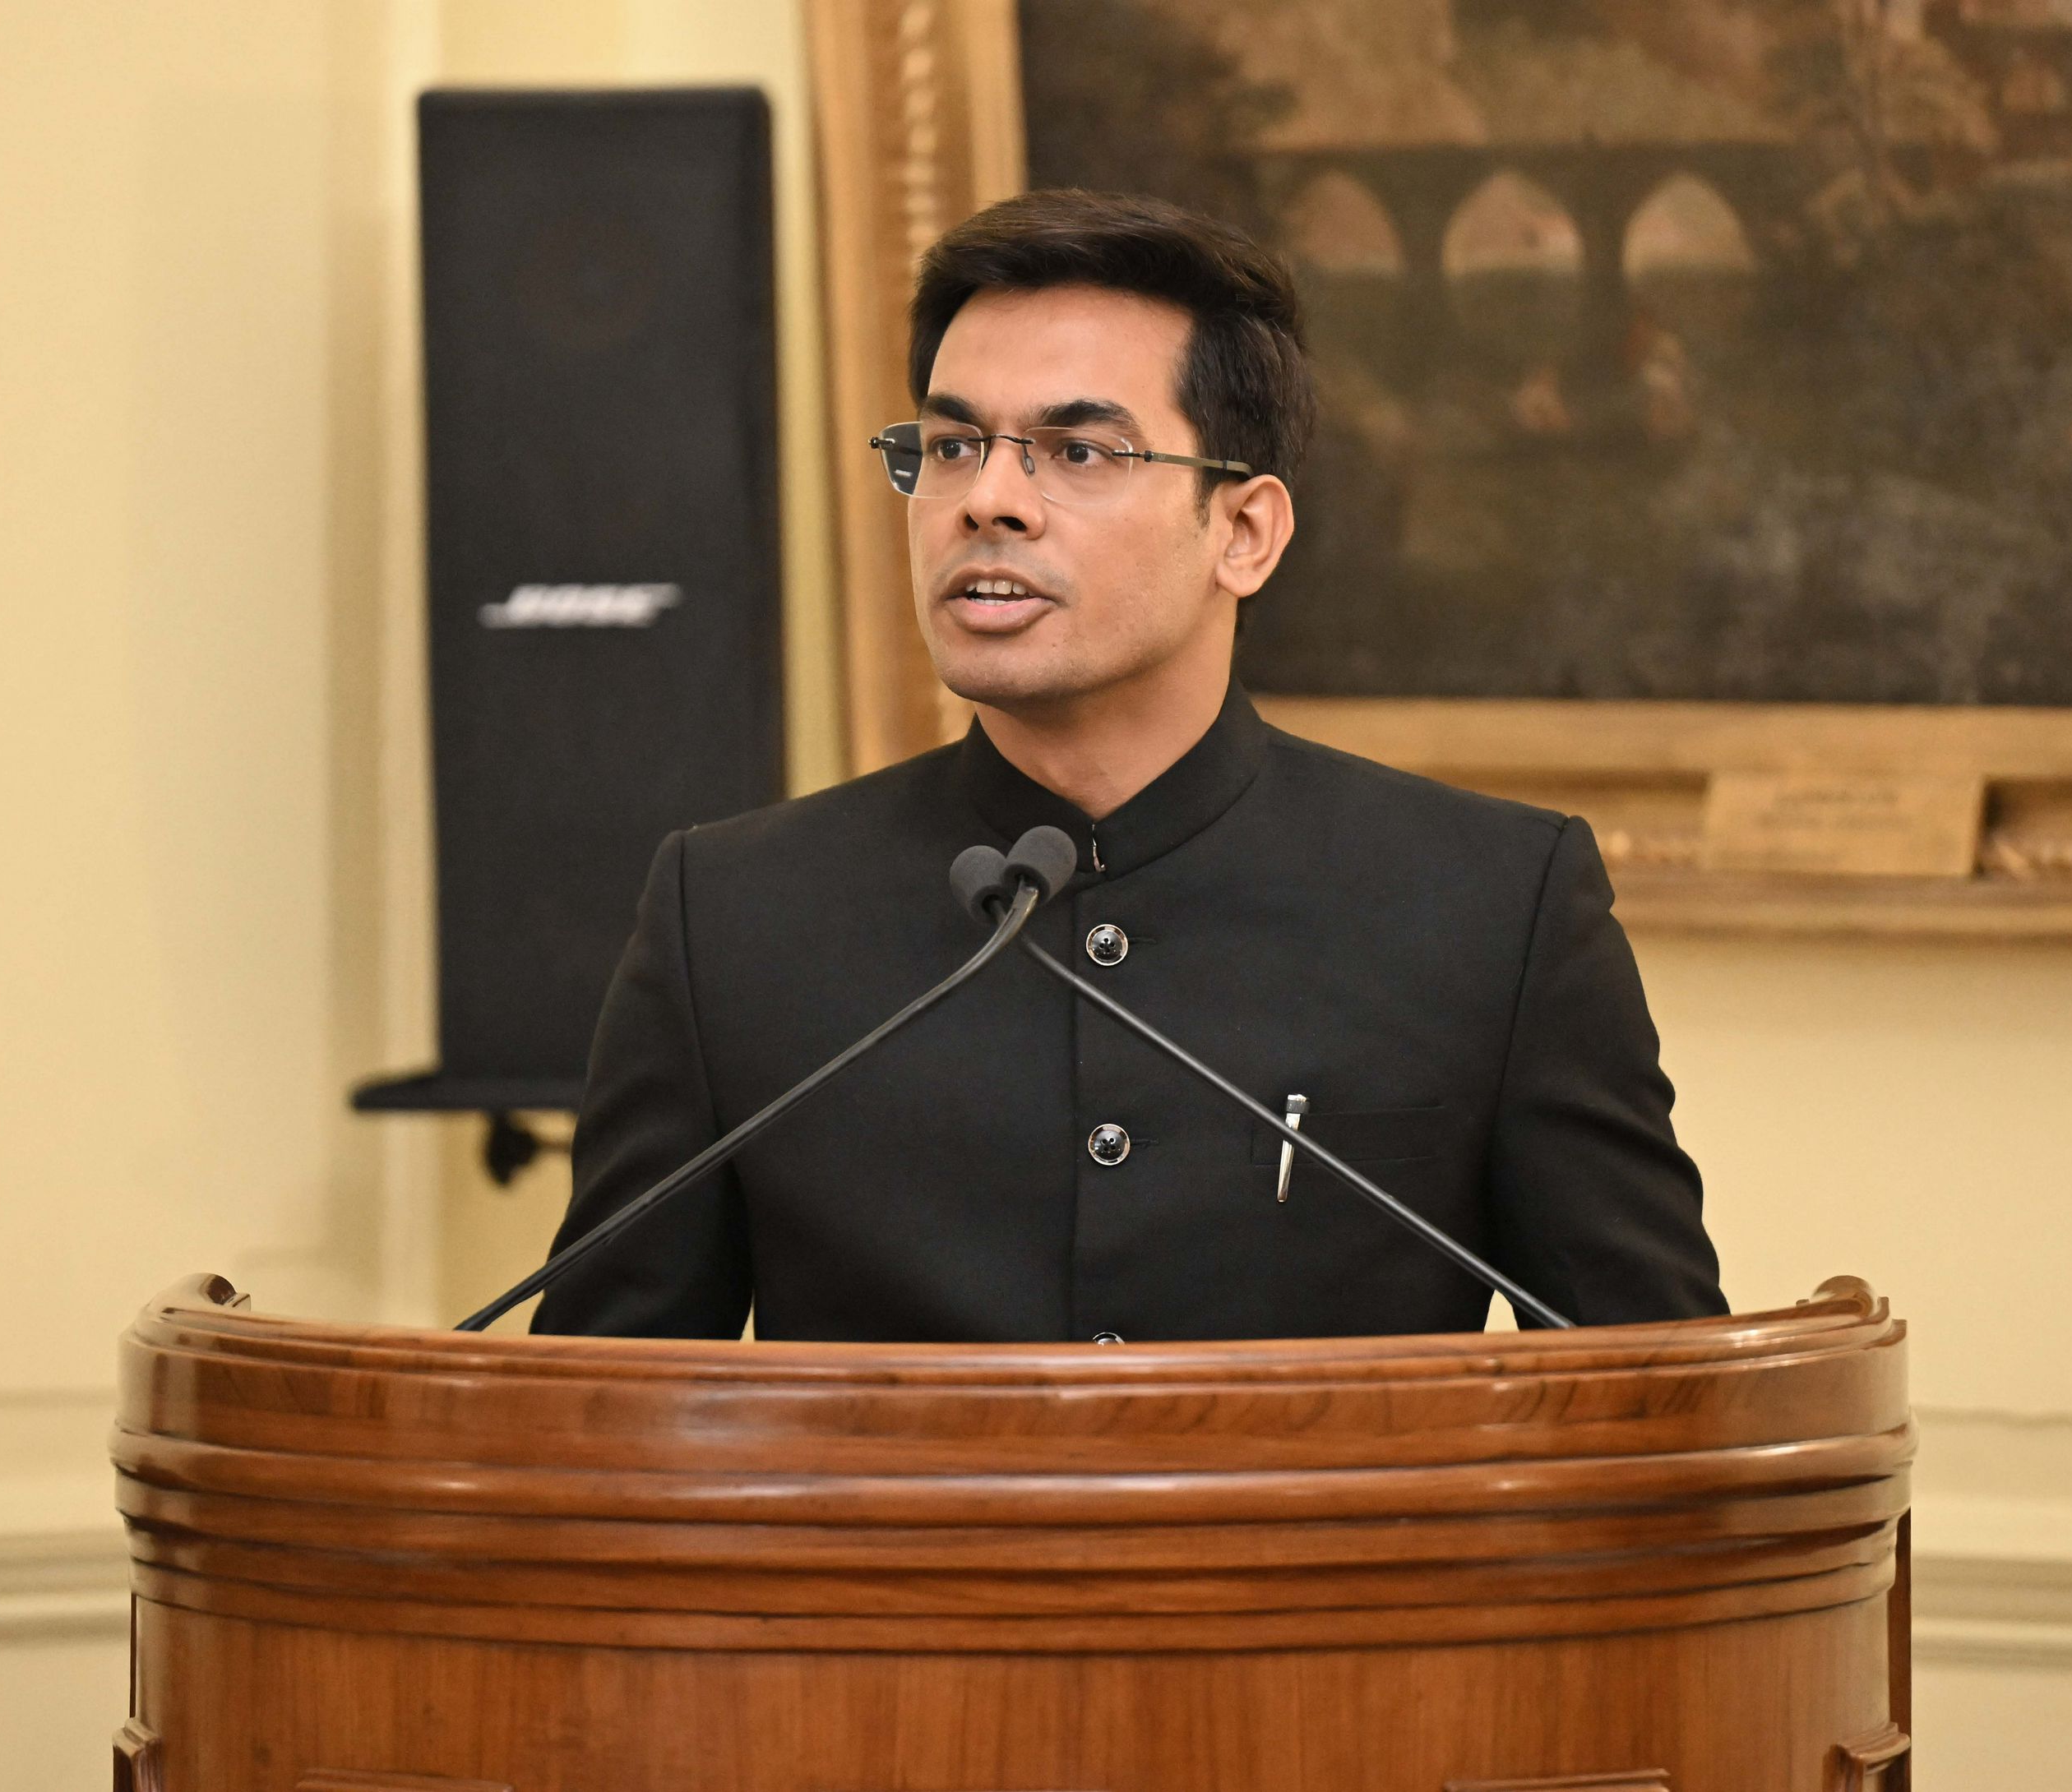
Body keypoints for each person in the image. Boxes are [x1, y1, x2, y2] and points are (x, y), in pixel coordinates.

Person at [529, 190, 1724, 1343]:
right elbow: (591, 1421)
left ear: (1243, 532)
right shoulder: (730, 917)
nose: (987, 502)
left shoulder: (1493, 906)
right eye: (950, 446)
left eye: (1080, 452)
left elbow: (1666, 1404)